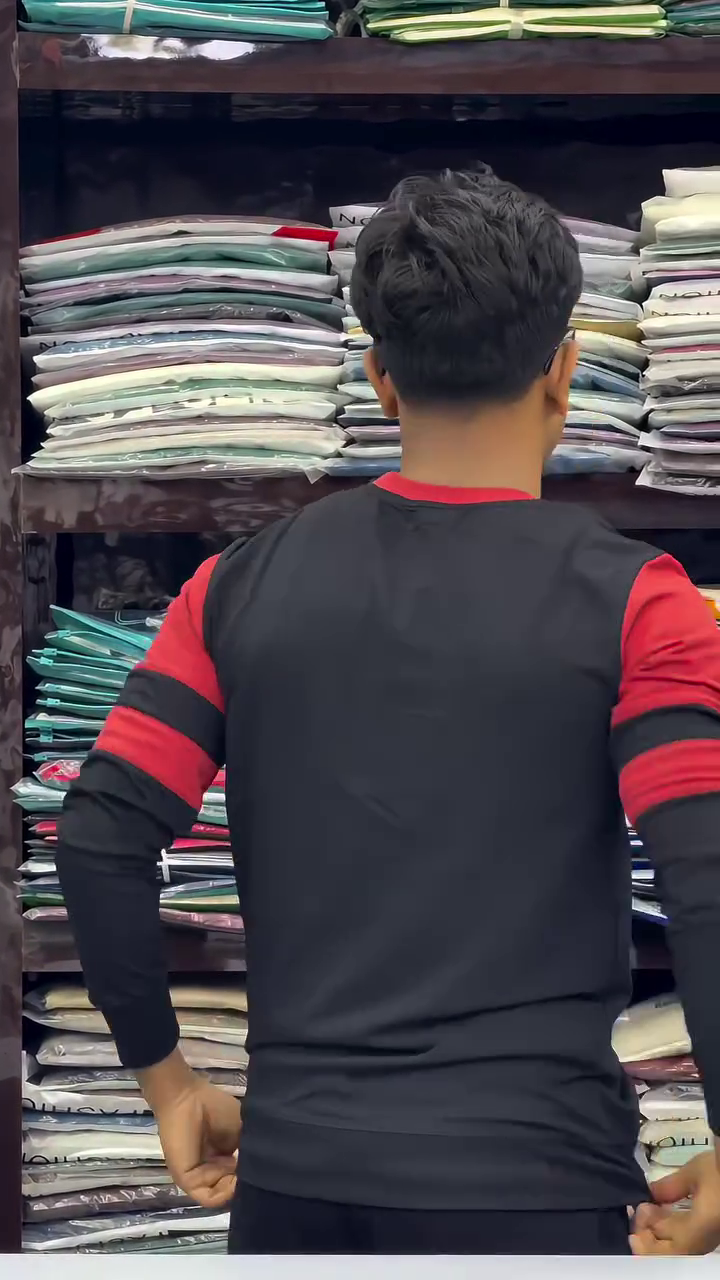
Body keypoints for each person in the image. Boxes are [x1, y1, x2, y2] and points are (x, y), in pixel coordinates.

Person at [56, 170, 720, 1257]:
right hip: (534, 1187)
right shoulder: (642, 604)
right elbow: (706, 879)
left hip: (296, 1188)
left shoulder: (233, 589)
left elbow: (97, 838)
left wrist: (169, 1081)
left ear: (378, 378)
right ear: (563, 371)